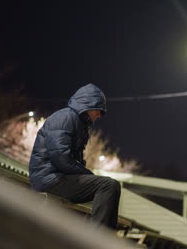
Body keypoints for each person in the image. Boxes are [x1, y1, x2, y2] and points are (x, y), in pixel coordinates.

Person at [29, 83, 121, 229]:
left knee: (111, 187)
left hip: (58, 177)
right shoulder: (65, 118)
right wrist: (87, 174)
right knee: (107, 185)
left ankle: (107, 237)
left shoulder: (80, 122)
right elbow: (60, 157)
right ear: (88, 104)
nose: (99, 115)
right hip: (50, 179)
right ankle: (97, 239)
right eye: (98, 110)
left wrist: (87, 175)